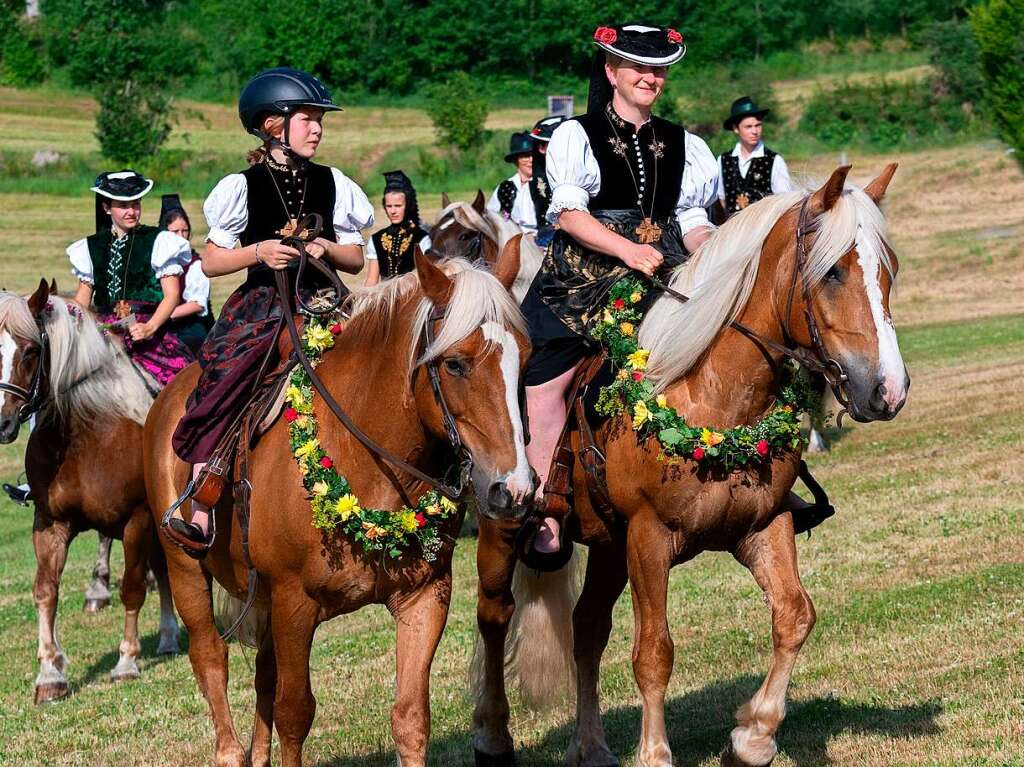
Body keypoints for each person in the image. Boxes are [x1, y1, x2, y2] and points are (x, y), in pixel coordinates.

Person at [519, 23, 719, 565]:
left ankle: (750, 478)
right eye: (639, 68)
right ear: (611, 71)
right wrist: (626, 250)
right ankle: (546, 506)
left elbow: (692, 220)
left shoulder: (687, 144)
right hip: (584, 277)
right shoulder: (574, 135)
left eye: (658, 70)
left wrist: (716, 251)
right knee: (545, 382)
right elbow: (568, 215)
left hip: (664, 269)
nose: (651, 78)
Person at [165, 67, 374, 552]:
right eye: (308, 119)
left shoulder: (334, 181)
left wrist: (324, 245)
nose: (318, 128)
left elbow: (356, 257)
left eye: (320, 120)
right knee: (228, 375)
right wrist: (259, 252)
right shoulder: (241, 186)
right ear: (273, 125)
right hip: (263, 304)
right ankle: (201, 499)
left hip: (324, 300)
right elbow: (214, 261)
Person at [67, 170, 194, 386]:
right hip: (105, 338)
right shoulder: (91, 247)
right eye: (123, 206)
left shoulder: (160, 241)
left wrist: (150, 327)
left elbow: (172, 296)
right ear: (107, 208)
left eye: (135, 204)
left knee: (181, 394)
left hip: (149, 336)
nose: (132, 211)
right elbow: (82, 301)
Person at [716, 96, 793, 217]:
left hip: (762, 232)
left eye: (758, 125)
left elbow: (785, 203)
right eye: (748, 127)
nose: (755, 131)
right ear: (736, 129)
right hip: (731, 231)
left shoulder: (774, 161)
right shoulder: (723, 160)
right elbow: (721, 200)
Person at [160, 194, 215, 353]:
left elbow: (197, 304)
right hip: (163, 325)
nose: (181, 236)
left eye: (184, 230)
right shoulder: (156, 263)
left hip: (191, 328)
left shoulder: (195, 264)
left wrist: (160, 316)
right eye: (175, 231)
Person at [364, 170, 431, 286]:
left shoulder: (422, 238)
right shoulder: (376, 239)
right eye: (389, 206)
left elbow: (427, 279)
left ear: (408, 205)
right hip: (385, 300)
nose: (393, 211)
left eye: (398, 206)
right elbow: (371, 281)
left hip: (413, 299)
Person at [527, 115, 567, 247]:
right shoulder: (534, 180)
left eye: (545, 144)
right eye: (540, 144)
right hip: (542, 240)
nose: (541, 149)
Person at [487, 132, 537, 234]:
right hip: (513, 242)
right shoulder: (504, 188)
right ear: (516, 160)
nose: (531, 160)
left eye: (533, 155)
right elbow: (491, 216)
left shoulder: (545, 185)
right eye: (525, 156)